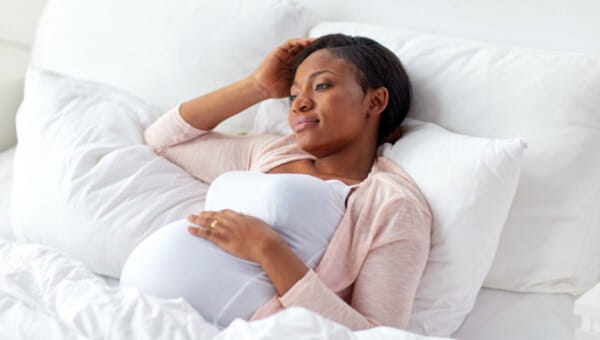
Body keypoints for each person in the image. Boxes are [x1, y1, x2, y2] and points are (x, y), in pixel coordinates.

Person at [121, 34, 431, 330]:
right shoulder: (272, 152)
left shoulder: (393, 204)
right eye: (294, 95)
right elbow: (164, 141)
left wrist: (268, 249)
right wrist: (256, 87)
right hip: (130, 312)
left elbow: (378, 335)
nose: (298, 104)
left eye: (322, 85)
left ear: (375, 101)